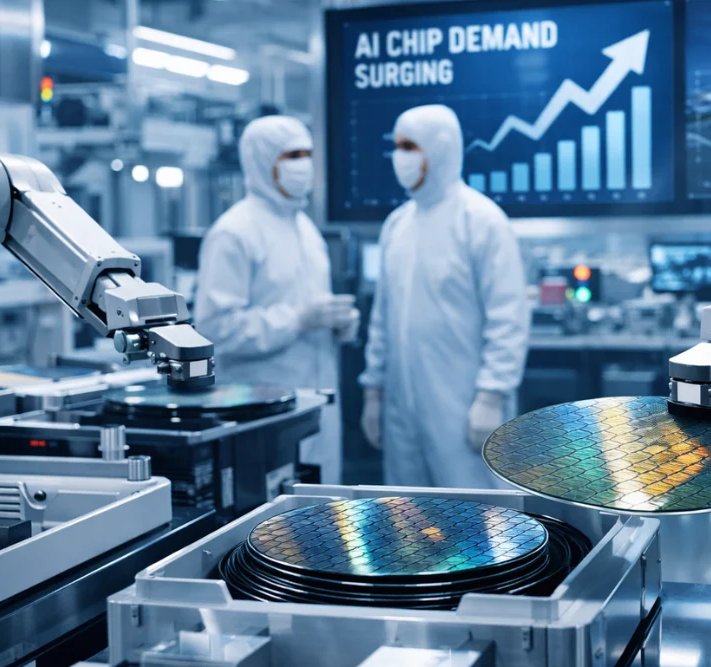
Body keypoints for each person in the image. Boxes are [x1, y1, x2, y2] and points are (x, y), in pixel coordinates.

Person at [359, 104, 530, 489]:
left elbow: (508, 318)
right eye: (397, 146)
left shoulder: (482, 221)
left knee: (475, 511)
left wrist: (491, 395)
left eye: (410, 146)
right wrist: (373, 392)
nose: (400, 157)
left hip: (463, 406)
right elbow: (382, 318)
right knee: (407, 512)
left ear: (440, 148)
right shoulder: (397, 225)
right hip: (401, 409)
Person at [195, 115, 358, 485]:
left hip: (318, 407)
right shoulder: (234, 232)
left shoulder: (306, 229)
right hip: (262, 411)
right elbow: (216, 329)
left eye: (307, 154)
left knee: (323, 507)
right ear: (262, 161)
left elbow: (311, 310)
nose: (304, 164)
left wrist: (338, 325)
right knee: (274, 514)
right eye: (292, 156)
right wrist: (297, 320)